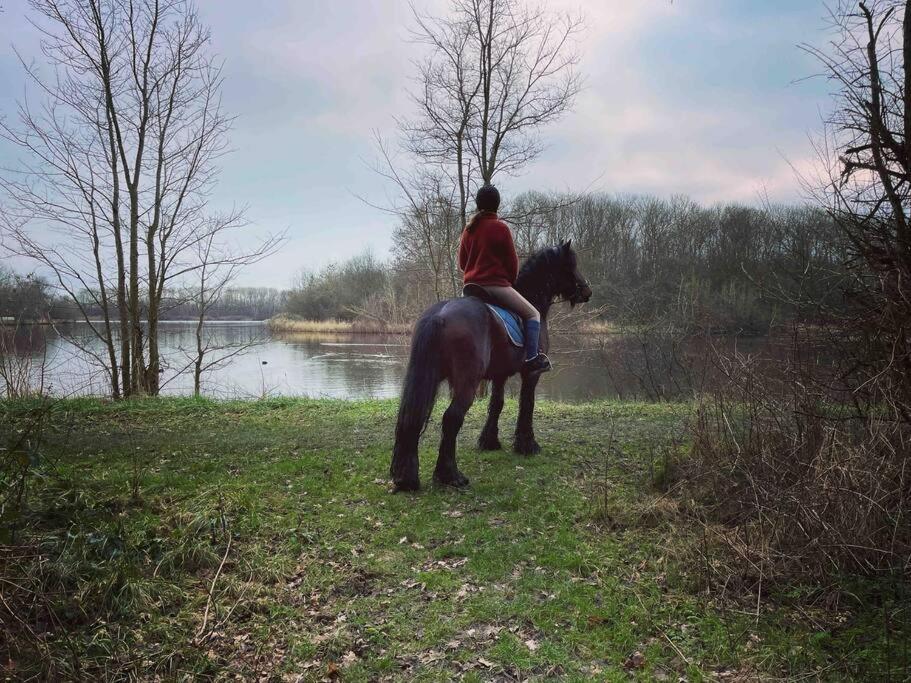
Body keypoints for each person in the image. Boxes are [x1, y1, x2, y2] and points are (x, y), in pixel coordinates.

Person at [458, 184, 551, 375]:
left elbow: (461, 263)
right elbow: (512, 265)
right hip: (494, 287)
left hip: (470, 288)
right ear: (497, 205)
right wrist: (508, 281)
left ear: (478, 205)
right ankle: (532, 358)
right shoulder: (501, 228)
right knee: (533, 314)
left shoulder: (469, 230)